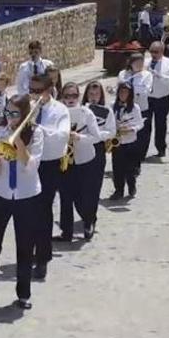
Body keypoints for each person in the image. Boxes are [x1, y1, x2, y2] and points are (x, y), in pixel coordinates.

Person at [0, 94, 44, 313]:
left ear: (24, 115)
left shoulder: (37, 134)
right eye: (8, 112)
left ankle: (23, 294)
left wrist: (18, 139)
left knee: (24, 247)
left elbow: (31, 166)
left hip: (26, 195)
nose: (10, 117)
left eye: (15, 114)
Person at [28, 73, 69, 280]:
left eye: (37, 90)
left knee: (43, 212)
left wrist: (39, 129)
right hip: (27, 162)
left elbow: (62, 135)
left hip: (49, 164)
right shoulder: (26, 106)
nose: (33, 94)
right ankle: (30, 252)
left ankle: (42, 258)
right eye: (31, 89)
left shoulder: (60, 110)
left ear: (48, 90)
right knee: (28, 213)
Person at [55, 82, 102, 242]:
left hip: (84, 159)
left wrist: (79, 137)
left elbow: (97, 137)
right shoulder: (58, 113)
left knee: (84, 196)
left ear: (79, 96)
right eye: (67, 96)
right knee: (66, 196)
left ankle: (89, 221)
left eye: (74, 96)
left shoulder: (86, 113)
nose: (70, 99)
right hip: (65, 160)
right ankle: (66, 231)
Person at [82, 81, 115, 232]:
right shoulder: (80, 110)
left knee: (94, 186)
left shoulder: (107, 111)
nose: (93, 97)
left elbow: (111, 131)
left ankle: (90, 219)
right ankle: (85, 213)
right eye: (90, 94)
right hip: (81, 148)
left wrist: (96, 136)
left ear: (101, 95)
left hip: (98, 148)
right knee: (81, 187)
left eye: (96, 94)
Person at [144, 41, 169, 157]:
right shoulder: (145, 62)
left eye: (155, 52)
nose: (153, 54)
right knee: (145, 125)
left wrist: (161, 76)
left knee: (160, 124)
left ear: (162, 51)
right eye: (151, 51)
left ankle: (161, 148)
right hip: (147, 98)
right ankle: (142, 151)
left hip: (162, 98)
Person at [109, 83, 145, 200]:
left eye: (126, 93)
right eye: (121, 92)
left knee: (130, 168)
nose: (123, 95)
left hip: (131, 142)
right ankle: (118, 190)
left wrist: (131, 129)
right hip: (117, 142)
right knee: (117, 168)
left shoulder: (135, 108)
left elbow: (140, 123)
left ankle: (131, 186)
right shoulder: (111, 106)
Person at [117, 53, 153, 162]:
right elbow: (120, 89)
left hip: (142, 108)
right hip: (125, 109)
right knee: (125, 133)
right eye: (137, 62)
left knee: (142, 136)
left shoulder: (147, 75)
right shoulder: (123, 74)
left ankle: (138, 159)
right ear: (131, 63)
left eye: (142, 62)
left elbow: (146, 91)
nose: (140, 65)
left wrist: (131, 91)